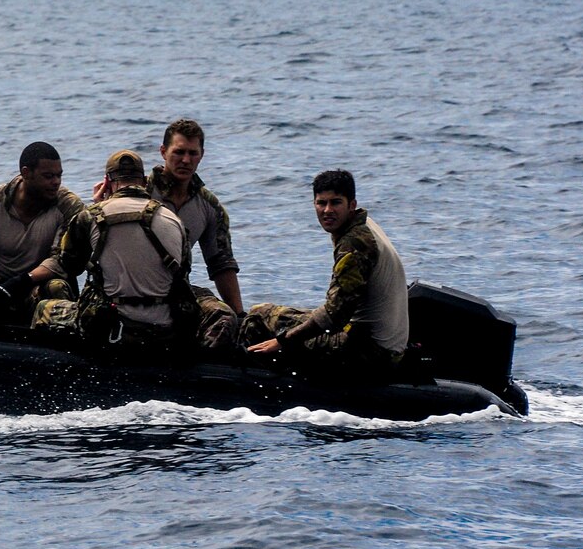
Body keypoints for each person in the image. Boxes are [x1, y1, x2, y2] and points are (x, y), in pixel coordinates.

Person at [242, 169, 408, 381]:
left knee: (258, 316)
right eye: (321, 203)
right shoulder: (364, 224)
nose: (327, 210)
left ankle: (255, 382)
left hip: (369, 352)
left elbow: (335, 315)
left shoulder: (354, 244)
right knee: (272, 313)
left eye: (336, 202)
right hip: (379, 343)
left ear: (351, 205)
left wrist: (282, 341)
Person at [33, 149, 193, 358]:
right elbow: (184, 273)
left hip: (113, 331)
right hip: (165, 331)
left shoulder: (90, 216)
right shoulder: (174, 220)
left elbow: (69, 265)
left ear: (107, 182)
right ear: (144, 182)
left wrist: (97, 206)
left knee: (44, 308)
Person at [0, 141, 84, 322]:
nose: (56, 182)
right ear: (26, 173)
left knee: (57, 286)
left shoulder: (68, 206)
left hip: (37, 283)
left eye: (59, 176)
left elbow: (62, 261)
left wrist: (19, 283)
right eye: (48, 176)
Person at [146, 119, 245, 352]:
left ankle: (198, 369)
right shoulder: (139, 192)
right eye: (179, 152)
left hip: (177, 291)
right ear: (163, 152)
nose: (186, 160)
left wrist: (239, 315)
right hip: (131, 288)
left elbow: (221, 264)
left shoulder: (209, 207)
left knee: (224, 319)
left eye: (193, 153)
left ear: (202, 155)